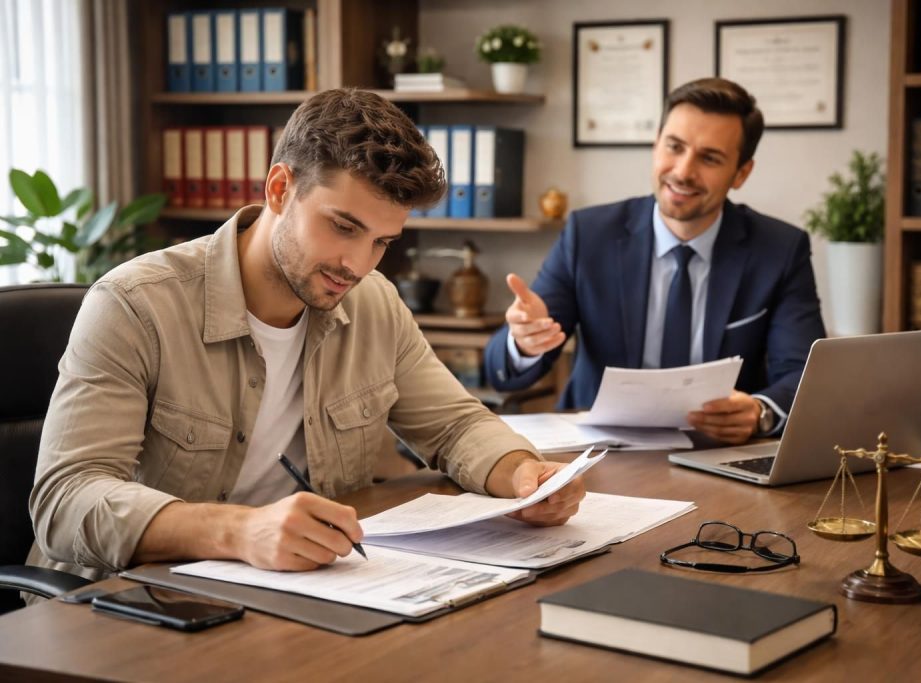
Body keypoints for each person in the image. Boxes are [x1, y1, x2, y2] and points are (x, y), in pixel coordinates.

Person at [27, 89, 585, 591]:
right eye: (342, 227)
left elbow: (456, 424)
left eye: (382, 242)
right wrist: (240, 531)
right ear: (279, 188)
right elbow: (65, 500)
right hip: (126, 603)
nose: (357, 264)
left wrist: (521, 474)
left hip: (293, 591)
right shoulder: (135, 304)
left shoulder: (373, 302)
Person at [484, 78, 826, 445]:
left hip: (716, 454)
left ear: (741, 173)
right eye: (674, 147)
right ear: (655, 145)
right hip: (598, 452)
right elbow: (502, 373)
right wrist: (524, 343)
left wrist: (760, 412)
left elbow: (807, 374)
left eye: (709, 158)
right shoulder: (589, 235)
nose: (683, 171)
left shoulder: (779, 249)